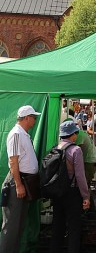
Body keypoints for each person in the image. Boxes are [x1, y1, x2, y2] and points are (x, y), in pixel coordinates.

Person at [0, 105, 41, 253]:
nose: (35, 120)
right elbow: (13, 161)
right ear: (26, 118)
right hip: (18, 182)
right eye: (33, 117)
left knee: (18, 226)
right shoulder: (16, 134)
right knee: (11, 227)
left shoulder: (23, 134)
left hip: (25, 181)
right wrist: (18, 184)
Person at [50, 121, 90, 253]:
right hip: (72, 193)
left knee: (57, 225)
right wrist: (86, 196)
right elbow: (80, 175)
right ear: (73, 134)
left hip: (57, 192)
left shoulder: (55, 148)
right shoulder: (76, 150)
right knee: (74, 228)